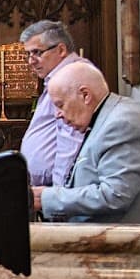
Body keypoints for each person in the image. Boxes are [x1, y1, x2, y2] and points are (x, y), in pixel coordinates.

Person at [33, 62, 140, 223]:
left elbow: (115, 195)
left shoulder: (123, 122)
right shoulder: (104, 118)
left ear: (85, 95)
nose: (57, 115)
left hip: (120, 242)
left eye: (60, 105)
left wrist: (46, 198)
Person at [18, 20, 90, 187]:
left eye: (36, 52)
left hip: (54, 189)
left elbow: (71, 140)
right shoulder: (58, 77)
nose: (31, 61)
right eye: (28, 54)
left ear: (61, 49)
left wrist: (57, 195)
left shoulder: (72, 77)